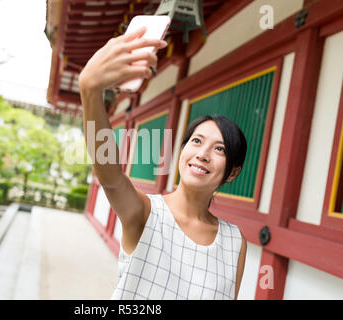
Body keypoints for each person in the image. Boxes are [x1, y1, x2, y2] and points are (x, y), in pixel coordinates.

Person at [78, 26, 247, 300]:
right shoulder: (146, 213)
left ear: (233, 173)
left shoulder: (235, 242)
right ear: (181, 152)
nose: (203, 154)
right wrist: (90, 89)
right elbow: (110, 175)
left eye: (220, 149)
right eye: (196, 141)